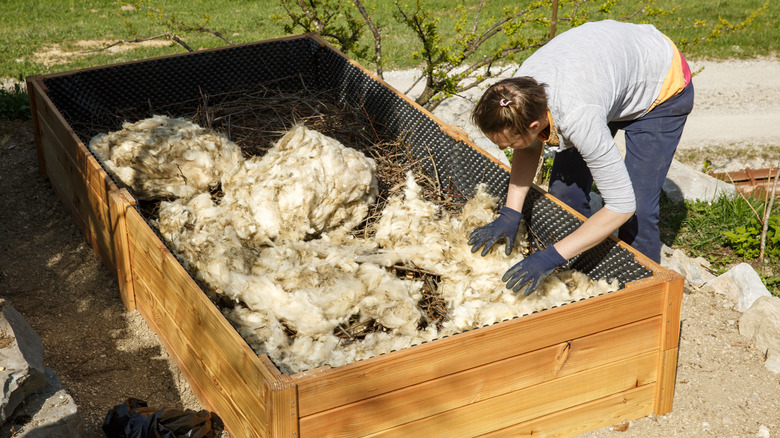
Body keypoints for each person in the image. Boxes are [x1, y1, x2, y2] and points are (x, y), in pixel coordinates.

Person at [468, 19, 694, 295]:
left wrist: (549, 257)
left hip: (660, 88)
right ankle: (585, 271)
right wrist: (510, 212)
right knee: (566, 196)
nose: (504, 150)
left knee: (639, 211)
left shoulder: (578, 116)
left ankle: (648, 299)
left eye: (509, 143)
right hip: (605, 79)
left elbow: (622, 206)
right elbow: (526, 147)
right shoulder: (516, 95)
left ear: (534, 125)